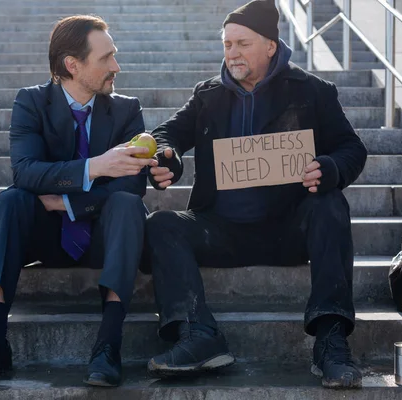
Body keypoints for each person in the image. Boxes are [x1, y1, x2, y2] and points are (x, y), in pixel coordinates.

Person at [145, 0, 367, 389]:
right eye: (227, 44)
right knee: (163, 223)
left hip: (286, 228)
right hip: (221, 229)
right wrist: (169, 159)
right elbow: (166, 136)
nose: (232, 53)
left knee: (330, 202)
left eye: (242, 44)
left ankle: (331, 340)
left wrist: (329, 169)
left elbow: (352, 149)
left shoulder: (313, 91)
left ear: (270, 45)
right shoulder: (207, 95)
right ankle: (199, 335)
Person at [0, 15, 157, 388]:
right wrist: (95, 167)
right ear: (72, 65)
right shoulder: (31, 102)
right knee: (11, 200)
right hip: (45, 238)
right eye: (106, 57)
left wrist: (67, 203)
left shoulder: (127, 109)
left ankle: (108, 345)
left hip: (103, 236)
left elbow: (131, 184)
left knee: (128, 205)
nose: (117, 66)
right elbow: (26, 173)